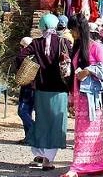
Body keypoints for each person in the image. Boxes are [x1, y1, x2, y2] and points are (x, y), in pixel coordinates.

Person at [22, 13, 71, 172]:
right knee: (56, 124)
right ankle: (48, 161)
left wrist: (32, 69)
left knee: (42, 123)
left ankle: (41, 154)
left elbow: (20, 55)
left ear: (41, 28)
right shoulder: (64, 42)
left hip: (41, 89)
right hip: (60, 90)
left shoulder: (36, 44)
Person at [64, 15, 103, 177]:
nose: (72, 32)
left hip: (91, 97)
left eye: (74, 29)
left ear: (81, 29)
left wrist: (89, 70)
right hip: (79, 96)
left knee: (87, 131)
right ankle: (90, 163)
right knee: (80, 132)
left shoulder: (96, 47)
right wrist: (71, 96)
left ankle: (78, 166)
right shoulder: (77, 48)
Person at [16, 37, 35, 144]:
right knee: (28, 111)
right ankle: (29, 137)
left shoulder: (26, 57)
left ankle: (34, 130)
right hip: (31, 87)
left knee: (22, 111)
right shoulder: (35, 56)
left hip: (29, 87)